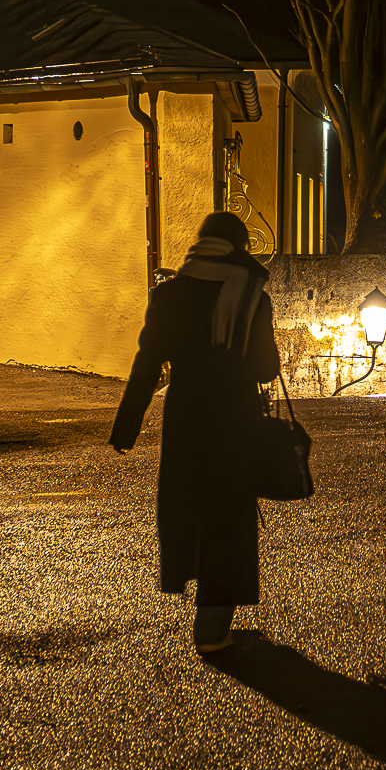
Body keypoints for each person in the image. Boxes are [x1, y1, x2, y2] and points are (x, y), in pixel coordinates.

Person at [110, 210, 283, 655]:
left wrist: (127, 427)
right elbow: (266, 369)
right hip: (235, 420)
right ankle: (211, 626)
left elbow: (147, 364)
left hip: (186, 418)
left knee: (189, 507)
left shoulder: (168, 296)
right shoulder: (251, 296)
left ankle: (203, 610)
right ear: (239, 247)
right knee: (228, 516)